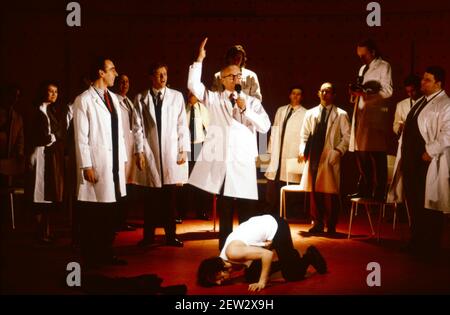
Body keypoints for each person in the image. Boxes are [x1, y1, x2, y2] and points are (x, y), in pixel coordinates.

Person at [188, 38, 271, 250]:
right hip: (224, 164)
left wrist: (246, 110)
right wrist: (199, 59)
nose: (236, 78)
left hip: (243, 163)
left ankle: (245, 251)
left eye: (238, 75)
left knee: (246, 212)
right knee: (225, 211)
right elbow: (193, 86)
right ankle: (224, 253)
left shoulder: (252, 102)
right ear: (223, 79)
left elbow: (265, 125)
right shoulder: (214, 99)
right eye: (231, 76)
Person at [388, 66, 450, 256]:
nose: (422, 83)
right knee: (414, 204)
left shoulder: (445, 104)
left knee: (429, 208)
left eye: (427, 80)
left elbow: (448, 134)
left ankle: (429, 246)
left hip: (427, 163)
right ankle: (416, 241)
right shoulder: (420, 102)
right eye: (423, 79)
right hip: (411, 162)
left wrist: (430, 151)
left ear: (438, 83)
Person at [73, 57, 128, 267]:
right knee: (94, 215)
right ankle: (91, 257)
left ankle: (106, 253)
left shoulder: (113, 98)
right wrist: (86, 165)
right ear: (101, 73)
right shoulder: (84, 100)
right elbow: (81, 136)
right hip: (97, 163)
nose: (116, 73)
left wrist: (122, 160)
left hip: (113, 164)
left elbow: (120, 133)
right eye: (112, 70)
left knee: (110, 214)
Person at [133, 62, 189, 248]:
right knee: (150, 200)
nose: (163, 78)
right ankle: (148, 237)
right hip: (151, 152)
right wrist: (139, 151)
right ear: (151, 77)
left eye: (165, 74)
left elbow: (182, 125)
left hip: (170, 152)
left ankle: (170, 236)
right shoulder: (141, 98)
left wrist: (183, 149)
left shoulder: (176, 97)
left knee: (169, 200)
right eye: (158, 74)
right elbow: (137, 128)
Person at [197, 214, 327, 291]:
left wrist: (262, 282)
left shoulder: (232, 253)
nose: (219, 283)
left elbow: (267, 255)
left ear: (219, 270)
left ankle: (309, 256)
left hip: (276, 227)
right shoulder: (226, 258)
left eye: (216, 279)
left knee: (293, 275)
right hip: (264, 230)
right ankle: (290, 258)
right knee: (252, 275)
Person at [298, 83, 350, 234]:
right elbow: (304, 134)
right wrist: (302, 150)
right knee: (315, 192)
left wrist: (338, 151)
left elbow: (347, 136)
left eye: (328, 92)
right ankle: (317, 223)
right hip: (314, 154)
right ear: (318, 93)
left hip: (329, 154)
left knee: (330, 193)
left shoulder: (341, 114)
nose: (325, 94)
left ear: (333, 95)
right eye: (322, 91)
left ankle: (331, 224)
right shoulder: (310, 113)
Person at [348, 39, 393, 201]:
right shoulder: (362, 68)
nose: (361, 59)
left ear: (373, 52)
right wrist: (355, 93)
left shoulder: (384, 66)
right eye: (359, 55)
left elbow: (387, 91)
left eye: (364, 55)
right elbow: (361, 90)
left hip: (375, 117)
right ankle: (364, 188)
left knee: (377, 154)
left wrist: (366, 93)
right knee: (361, 154)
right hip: (361, 115)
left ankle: (380, 191)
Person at [27, 81, 65, 243]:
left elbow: (61, 130)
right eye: (50, 91)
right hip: (38, 153)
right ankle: (39, 232)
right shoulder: (34, 112)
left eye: (56, 91)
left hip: (51, 156)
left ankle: (46, 231)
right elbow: (34, 134)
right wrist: (49, 138)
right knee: (38, 192)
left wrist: (53, 137)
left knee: (49, 192)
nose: (53, 94)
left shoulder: (55, 111)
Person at [264, 85, 307, 214]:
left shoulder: (305, 113)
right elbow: (275, 130)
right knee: (273, 180)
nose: (295, 96)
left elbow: (305, 134)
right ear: (289, 95)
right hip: (278, 151)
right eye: (293, 93)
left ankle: (289, 211)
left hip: (292, 152)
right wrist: (270, 151)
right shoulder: (281, 110)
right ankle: (270, 210)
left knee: (289, 181)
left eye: (298, 94)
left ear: (302, 97)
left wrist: (302, 151)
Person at [182, 91, 211, 220]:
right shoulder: (182, 107)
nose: (191, 96)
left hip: (199, 145)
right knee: (184, 181)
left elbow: (210, 127)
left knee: (200, 180)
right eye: (189, 93)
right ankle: (182, 212)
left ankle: (201, 211)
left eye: (193, 93)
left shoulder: (203, 109)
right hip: (186, 147)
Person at [114, 74, 136, 232]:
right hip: (120, 149)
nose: (125, 84)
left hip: (130, 149)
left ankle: (123, 219)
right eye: (122, 82)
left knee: (127, 187)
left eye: (127, 82)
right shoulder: (114, 100)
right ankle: (116, 221)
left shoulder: (129, 101)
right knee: (118, 186)